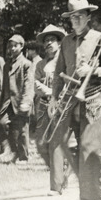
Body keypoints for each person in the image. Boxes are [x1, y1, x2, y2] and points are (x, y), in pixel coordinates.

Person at [49, 0, 101, 200]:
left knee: (90, 148)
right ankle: (88, 183)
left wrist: (93, 70)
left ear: (88, 17)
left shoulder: (100, 38)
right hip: (70, 100)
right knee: (60, 142)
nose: (76, 20)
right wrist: (53, 98)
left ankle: (89, 196)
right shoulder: (66, 42)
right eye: (73, 16)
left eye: (80, 15)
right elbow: (59, 71)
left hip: (93, 98)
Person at [33, 24, 64, 164]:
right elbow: (35, 84)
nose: (49, 43)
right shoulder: (40, 65)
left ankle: (62, 167)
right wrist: (50, 91)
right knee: (41, 142)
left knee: (60, 140)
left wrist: (56, 94)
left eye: (52, 40)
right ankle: (53, 167)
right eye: (46, 40)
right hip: (43, 105)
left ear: (59, 43)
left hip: (61, 104)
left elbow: (69, 83)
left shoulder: (65, 62)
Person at [1, 34, 34, 163]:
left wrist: (26, 102)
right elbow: (4, 86)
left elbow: (28, 85)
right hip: (8, 103)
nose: (12, 48)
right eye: (10, 46)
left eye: (15, 45)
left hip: (21, 102)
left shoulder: (26, 64)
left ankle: (23, 157)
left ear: (21, 47)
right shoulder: (7, 65)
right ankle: (14, 152)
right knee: (2, 124)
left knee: (22, 130)